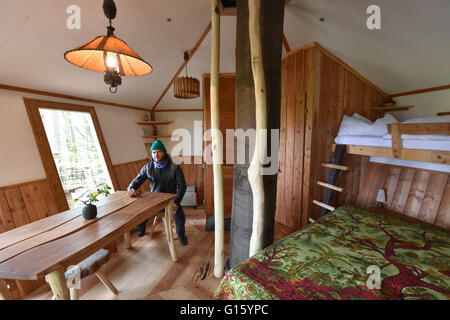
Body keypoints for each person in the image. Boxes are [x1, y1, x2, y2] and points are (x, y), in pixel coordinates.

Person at [127, 140, 188, 245]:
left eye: (159, 151)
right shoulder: (148, 167)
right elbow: (137, 180)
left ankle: (181, 235)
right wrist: (131, 188)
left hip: (171, 200)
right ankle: (141, 230)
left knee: (180, 218)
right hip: (153, 200)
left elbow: (182, 186)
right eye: (154, 152)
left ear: (164, 152)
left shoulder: (175, 167)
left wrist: (176, 201)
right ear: (151, 154)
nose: (156, 155)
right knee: (140, 213)